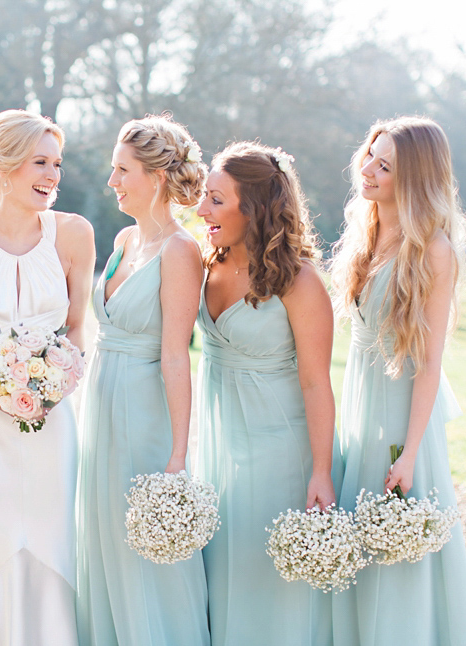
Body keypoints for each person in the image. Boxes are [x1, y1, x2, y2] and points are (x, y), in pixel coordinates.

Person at [0, 109, 95, 646]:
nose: (52, 175)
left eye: (57, 164)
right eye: (40, 163)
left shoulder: (73, 233)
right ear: (4, 165)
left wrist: (52, 384)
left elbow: (77, 325)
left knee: (52, 536)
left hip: (52, 418)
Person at [329, 116, 466, 646]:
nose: (367, 169)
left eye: (385, 164)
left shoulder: (432, 250)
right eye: (370, 154)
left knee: (397, 538)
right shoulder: (367, 235)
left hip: (401, 413)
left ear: (414, 178)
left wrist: (411, 452)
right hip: (361, 400)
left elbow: (429, 363)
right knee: (362, 533)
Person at [75, 115, 210, 646]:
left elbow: (177, 356)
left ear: (155, 177)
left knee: (145, 540)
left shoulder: (181, 251)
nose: (113, 181)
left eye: (122, 170)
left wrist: (178, 455)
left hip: (144, 408)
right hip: (102, 398)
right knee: (104, 531)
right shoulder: (125, 238)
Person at [194, 142, 336, 646]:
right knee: (219, 573)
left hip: (278, 449)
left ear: (250, 207)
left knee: (267, 583)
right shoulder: (206, 263)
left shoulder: (299, 281)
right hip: (215, 443)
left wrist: (321, 471)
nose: (201, 209)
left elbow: (317, 381)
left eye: (215, 199)